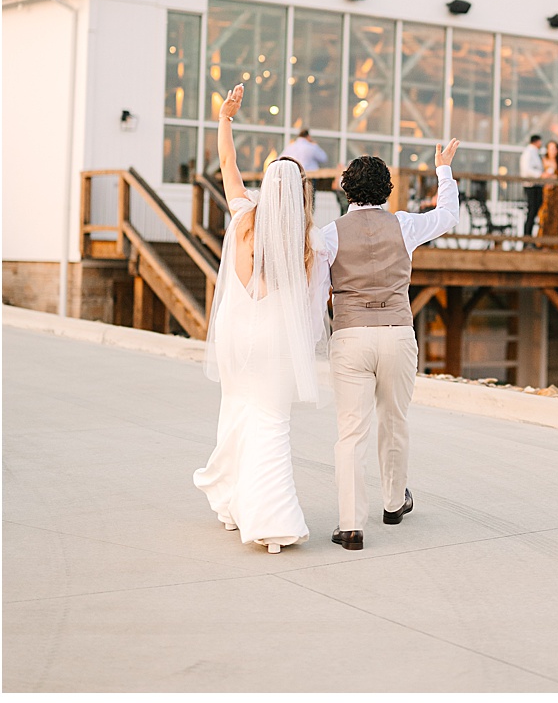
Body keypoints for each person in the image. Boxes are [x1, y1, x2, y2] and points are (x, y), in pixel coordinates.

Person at [194, 82, 330, 555]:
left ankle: (230, 503)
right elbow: (312, 308)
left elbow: (228, 166)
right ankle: (271, 520)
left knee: (236, 412)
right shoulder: (307, 244)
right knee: (271, 422)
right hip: (276, 342)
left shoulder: (244, 218)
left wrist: (225, 119)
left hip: (236, 337)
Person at [314, 139, 460, 551]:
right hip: (398, 332)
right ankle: (394, 504)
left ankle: (350, 526)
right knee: (395, 419)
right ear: (387, 191)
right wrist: (443, 169)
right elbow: (448, 215)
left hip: (350, 335)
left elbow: (318, 290)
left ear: (346, 191)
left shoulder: (329, 235)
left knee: (351, 432)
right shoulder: (404, 225)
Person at [536, 140, 558, 239]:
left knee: (556, 216)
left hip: (557, 193)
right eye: (551, 148)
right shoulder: (543, 161)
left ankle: (555, 243)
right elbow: (539, 174)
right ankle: (543, 242)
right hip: (545, 193)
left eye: (555, 148)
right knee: (545, 216)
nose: (553, 151)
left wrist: (555, 178)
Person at [522, 134, 545, 237]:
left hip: (536, 186)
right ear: (537, 141)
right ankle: (527, 237)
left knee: (534, 211)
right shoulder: (529, 152)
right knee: (531, 212)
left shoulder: (535, 152)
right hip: (531, 186)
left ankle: (530, 236)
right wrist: (540, 175)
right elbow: (526, 169)